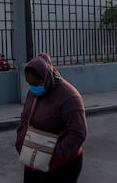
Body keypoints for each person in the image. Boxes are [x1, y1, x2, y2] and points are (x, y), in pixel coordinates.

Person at [15, 53, 88, 183]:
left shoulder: (69, 97)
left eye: (36, 83)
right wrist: (20, 139)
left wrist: (52, 154)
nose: (33, 87)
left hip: (61, 166)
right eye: (30, 84)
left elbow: (78, 133)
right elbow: (25, 117)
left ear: (46, 76)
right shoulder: (33, 92)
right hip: (33, 162)